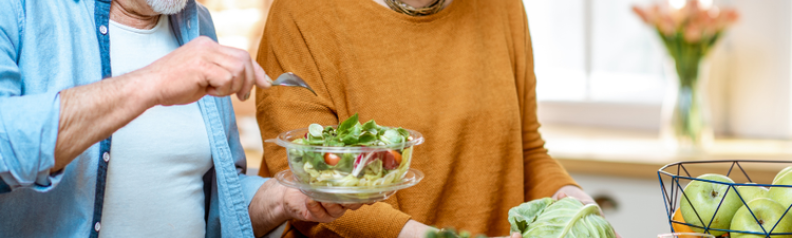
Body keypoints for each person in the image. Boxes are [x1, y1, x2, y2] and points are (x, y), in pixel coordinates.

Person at [254, 0, 617, 237]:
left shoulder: (502, 7)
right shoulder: (303, 14)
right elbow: (306, 184)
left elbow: (526, 149)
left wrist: (576, 206)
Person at [0, 0, 362, 237]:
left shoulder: (195, 22)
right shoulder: (20, 10)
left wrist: (287, 198)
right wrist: (152, 81)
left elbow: (217, 207)